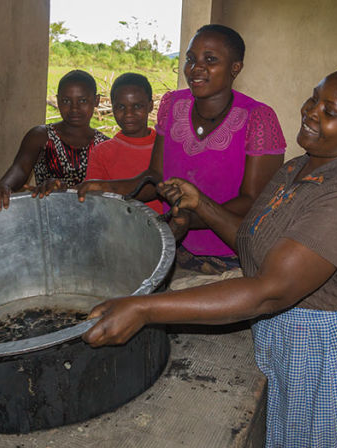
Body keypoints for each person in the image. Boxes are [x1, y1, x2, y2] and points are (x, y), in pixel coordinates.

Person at [81, 58, 337, 448]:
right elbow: (253, 242)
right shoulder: (299, 168)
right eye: (314, 99)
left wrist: (145, 308)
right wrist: (202, 204)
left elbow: (268, 291)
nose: (311, 113)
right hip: (294, 348)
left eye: (329, 112)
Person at [67, 24, 287, 273]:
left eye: (210, 59)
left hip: (231, 259)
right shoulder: (173, 105)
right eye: (191, 59)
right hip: (173, 248)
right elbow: (155, 178)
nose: (196, 68)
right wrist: (104, 189)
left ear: (235, 68)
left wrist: (188, 220)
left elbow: (253, 202)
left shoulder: (258, 119)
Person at [0, 69, 109, 211]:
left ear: (96, 101)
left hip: (91, 219)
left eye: (83, 100)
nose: (74, 108)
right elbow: (20, 168)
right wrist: (4, 185)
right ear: (58, 100)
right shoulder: (41, 136)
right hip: (46, 217)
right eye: (66, 101)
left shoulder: (105, 145)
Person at [85, 72, 162, 213]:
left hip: (163, 230)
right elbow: (95, 201)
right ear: (112, 107)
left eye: (137, 106)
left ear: (150, 106)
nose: (129, 113)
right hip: (118, 230)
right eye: (121, 107)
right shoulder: (101, 152)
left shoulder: (164, 146)